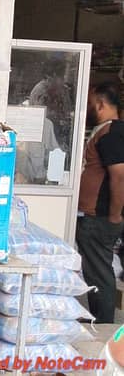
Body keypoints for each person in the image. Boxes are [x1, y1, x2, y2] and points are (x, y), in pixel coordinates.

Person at [76, 81, 124, 323]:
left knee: (100, 273)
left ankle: (103, 324)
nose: (88, 109)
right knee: (94, 270)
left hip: (100, 216)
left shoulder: (111, 133)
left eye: (90, 104)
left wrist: (115, 215)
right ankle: (97, 318)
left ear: (101, 104)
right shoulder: (107, 130)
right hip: (95, 215)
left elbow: (119, 175)